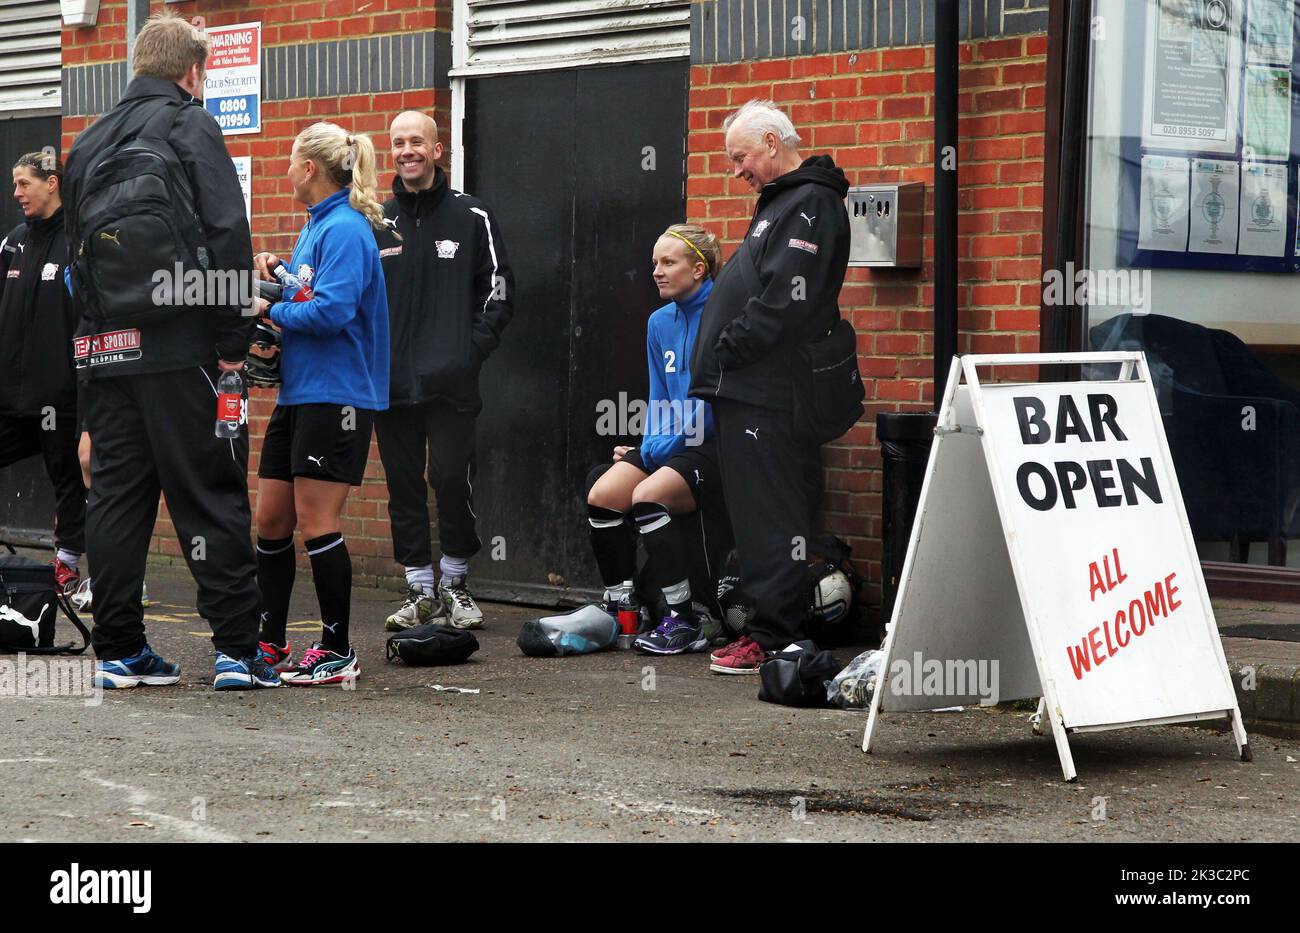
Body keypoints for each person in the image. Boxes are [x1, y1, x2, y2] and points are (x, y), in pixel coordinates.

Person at [62, 13, 276, 691]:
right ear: (192, 72)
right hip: (181, 347)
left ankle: (120, 650)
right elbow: (226, 229)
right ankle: (239, 651)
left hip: (103, 349)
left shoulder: (88, 142)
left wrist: (89, 364)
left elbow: (74, 263)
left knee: (118, 500)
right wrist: (233, 344)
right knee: (208, 488)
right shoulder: (190, 123)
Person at [688, 99, 851, 674]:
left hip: (769, 393)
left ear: (772, 144)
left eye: (741, 157)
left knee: (771, 518)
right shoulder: (785, 203)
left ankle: (776, 636)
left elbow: (786, 302)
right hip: (747, 392)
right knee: (755, 517)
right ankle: (769, 630)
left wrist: (727, 347)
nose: (736, 170)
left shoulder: (810, 204)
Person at [252, 122, 390, 686]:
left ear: (309, 168)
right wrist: (278, 279)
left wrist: (268, 313)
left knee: (316, 521)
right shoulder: (314, 228)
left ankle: (338, 650)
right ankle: (269, 641)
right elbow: (309, 295)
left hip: (339, 395)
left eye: (290, 162)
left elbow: (332, 312)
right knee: (271, 519)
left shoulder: (348, 230)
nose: (285, 171)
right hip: (301, 392)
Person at [375, 111, 513, 631]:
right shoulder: (376, 220)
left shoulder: (472, 215)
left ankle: (455, 582)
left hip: (452, 383)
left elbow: (499, 291)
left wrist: (468, 352)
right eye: (398, 143)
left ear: (437, 150)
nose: (407, 150)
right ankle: (419, 589)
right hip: (390, 383)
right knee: (403, 485)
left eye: (417, 141)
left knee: (451, 478)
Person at [583, 224, 732, 654]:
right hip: (669, 444)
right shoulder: (658, 322)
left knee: (648, 495)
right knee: (604, 492)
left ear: (699, 269)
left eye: (668, 262)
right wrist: (647, 444)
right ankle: (624, 607)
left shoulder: (724, 314)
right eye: (654, 263)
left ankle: (682, 619)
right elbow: (660, 394)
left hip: (712, 446)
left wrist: (666, 446)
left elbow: (714, 398)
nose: (657, 272)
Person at [0, 153, 85, 594]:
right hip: (10, 395)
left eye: (23, 184)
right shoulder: (13, 242)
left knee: (67, 478)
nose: (16, 194)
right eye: (15, 185)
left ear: (51, 184)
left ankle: (66, 566)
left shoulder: (77, 242)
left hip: (59, 394)